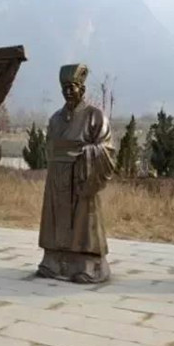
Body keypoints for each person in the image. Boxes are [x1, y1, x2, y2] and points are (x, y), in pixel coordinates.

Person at [36, 64, 115, 283]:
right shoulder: (56, 119)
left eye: (72, 87)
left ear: (82, 89)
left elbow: (107, 148)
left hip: (82, 176)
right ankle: (53, 261)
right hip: (57, 177)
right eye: (65, 88)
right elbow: (49, 146)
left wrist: (86, 156)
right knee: (56, 221)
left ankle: (89, 266)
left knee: (84, 222)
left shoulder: (95, 116)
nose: (68, 92)